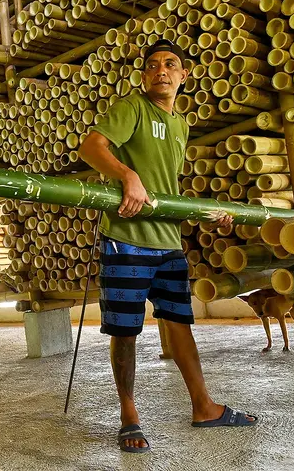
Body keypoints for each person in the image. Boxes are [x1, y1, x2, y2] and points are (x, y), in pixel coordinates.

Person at [78, 40, 258, 454]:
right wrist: (127, 175)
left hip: (168, 242)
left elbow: (166, 190)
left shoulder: (181, 125)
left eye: (170, 65)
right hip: (126, 240)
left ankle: (204, 406)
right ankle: (129, 414)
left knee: (180, 324)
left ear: (183, 75)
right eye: (153, 65)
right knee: (125, 331)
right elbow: (91, 147)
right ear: (144, 76)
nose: (161, 70)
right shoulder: (132, 108)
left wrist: (206, 212)